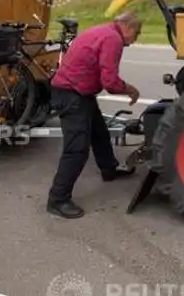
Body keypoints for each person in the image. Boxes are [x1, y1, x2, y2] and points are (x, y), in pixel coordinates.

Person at [46, 11, 142, 219]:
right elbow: (110, 82)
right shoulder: (113, 39)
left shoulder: (103, 30)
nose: (134, 41)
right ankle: (57, 199)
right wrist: (131, 89)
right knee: (77, 150)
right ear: (129, 27)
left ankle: (109, 169)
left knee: (99, 133)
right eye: (137, 34)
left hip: (79, 92)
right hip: (71, 95)